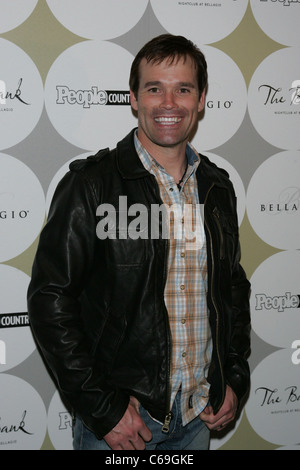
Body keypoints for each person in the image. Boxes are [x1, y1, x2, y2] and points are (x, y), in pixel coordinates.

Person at [27, 34, 251, 451]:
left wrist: (234, 377)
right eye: (154, 89)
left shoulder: (217, 188)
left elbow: (232, 291)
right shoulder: (92, 185)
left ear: (200, 99)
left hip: (198, 417)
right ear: (134, 98)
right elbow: (50, 300)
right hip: (123, 425)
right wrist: (104, 409)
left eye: (182, 89)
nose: (169, 103)